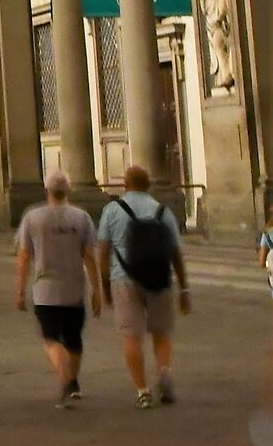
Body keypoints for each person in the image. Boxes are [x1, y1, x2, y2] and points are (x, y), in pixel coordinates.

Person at [96, 164, 188, 406]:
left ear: (125, 185)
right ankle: (164, 371)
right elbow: (176, 253)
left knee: (132, 336)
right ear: (148, 185)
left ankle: (142, 391)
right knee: (161, 332)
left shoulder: (112, 210)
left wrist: (104, 286)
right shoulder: (163, 210)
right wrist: (184, 288)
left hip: (124, 278)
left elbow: (103, 251)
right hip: (159, 276)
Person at [15, 169, 101, 406]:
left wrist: (20, 291)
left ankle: (65, 379)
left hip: (45, 290)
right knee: (74, 339)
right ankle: (73, 383)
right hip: (74, 288)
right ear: (68, 190)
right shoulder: (81, 217)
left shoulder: (33, 217)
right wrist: (97, 290)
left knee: (51, 338)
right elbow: (89, 256)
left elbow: (24, 256)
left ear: (47, 190)